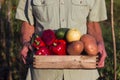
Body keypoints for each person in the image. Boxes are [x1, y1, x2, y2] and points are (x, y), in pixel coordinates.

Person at [16, 0, 107, 80]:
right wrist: (26, 42)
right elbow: (28, 22)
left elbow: (93, 23)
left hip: (81, 71)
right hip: (44, 71)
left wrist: (99, 43)